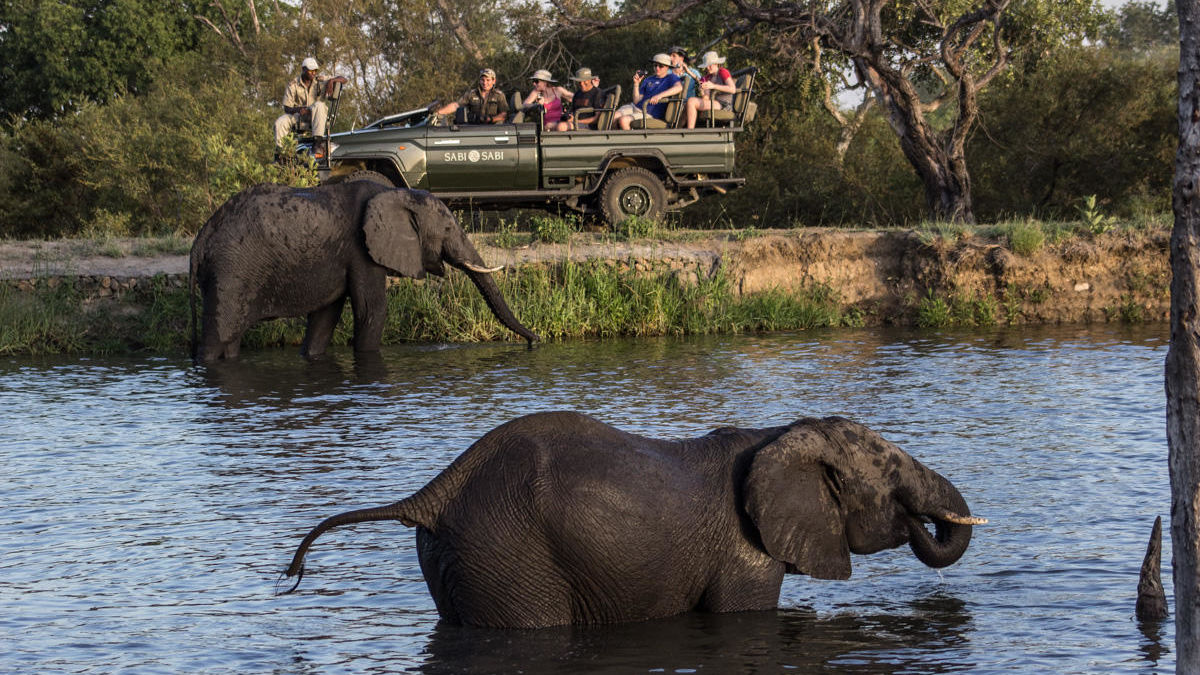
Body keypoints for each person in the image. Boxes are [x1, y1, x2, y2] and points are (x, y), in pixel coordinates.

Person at [274, 57, 345, 157]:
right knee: (280, 122)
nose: (313, 73)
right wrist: (299, 109)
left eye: (315, 70)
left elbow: (344, 79)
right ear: (303, 69)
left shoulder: (320, 80)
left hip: (316, 116)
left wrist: (332, 81)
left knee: (319, 105)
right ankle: (281, 153)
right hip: (299, 116)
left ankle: (317, 144)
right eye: (311, 70)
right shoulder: (293, 84)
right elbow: (287, 108)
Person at [614, 54, 683, 130]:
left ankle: (631, 141)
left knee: (623, 120)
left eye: (661, 66)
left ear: (667, 67)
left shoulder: (671, 77)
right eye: (655, 65)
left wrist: (659, 96)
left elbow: (679, 87)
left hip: (649, 113)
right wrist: (636, 84)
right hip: (635, 107)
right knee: (614, 116)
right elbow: (636, 101)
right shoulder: (648, 79)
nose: (657, 68)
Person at [436, 69, 509, 124]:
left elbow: (504, 114)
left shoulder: (499, 95)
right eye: (482, 80)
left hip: (493, 130)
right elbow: (456, 105)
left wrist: (491, 119)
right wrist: (438, 113)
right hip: (474, 129)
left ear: (494, 81)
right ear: (479, 81)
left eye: (488, 80)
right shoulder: (471, 94)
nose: (485, 83)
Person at [685, 51, 736, 129]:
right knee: (686, 105)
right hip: (713, 103)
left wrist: (714, 86)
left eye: (710, 65)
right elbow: (706, 98)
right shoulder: (708, 77)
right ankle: (677, 130)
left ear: (716, 64)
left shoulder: (722, 72)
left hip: (724, 104)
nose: (707, 68)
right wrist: (702, 91)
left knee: (691, 101)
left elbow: (733, 89)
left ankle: (689, 131)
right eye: (706, 66)